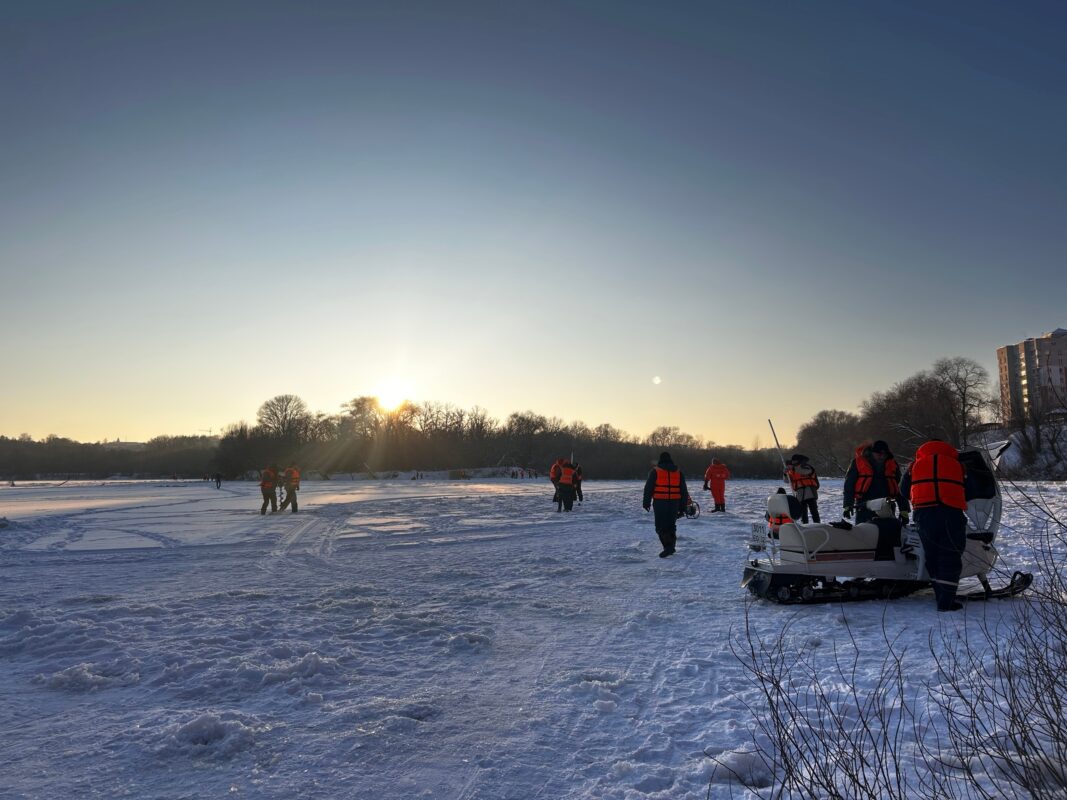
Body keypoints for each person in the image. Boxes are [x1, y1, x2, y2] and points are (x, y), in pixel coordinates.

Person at [900, 440, 968, 612]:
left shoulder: (914, 466)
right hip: (951, 513)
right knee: (950, 556)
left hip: (924, 514)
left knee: (933, 555)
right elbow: (972, 488)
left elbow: (903, 490)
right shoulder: (957, 464)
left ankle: (940, 594)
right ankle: (946, 601)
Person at [643, 451, 691, 558]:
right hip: (674, 502)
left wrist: (646, 502)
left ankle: (668, 547)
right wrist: (683, 507)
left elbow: (648, 488)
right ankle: (671, 547)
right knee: (671, 526)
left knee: (660, 526)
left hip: (660, 502)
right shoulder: (678, 472)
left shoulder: (655, 471)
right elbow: (683, 491)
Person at [843, 440, 902, 523]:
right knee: (864, 532)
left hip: (886, 504)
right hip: (864, 504)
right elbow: (849, 485)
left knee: (887, 532)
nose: (882, 456)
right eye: (879, 454)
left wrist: (904, 509)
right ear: (872, 452)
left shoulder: (892, 464)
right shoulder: (858, 463)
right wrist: (847, 505)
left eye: (884, 454)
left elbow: (898, 487)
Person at [785, 454, 820, 523]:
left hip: (810, 492)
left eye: (795, 462)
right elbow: (786, 480)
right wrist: (785, 473)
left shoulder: (807, 467)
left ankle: (817, 524)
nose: (794, 464)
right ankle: (804, 526)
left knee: (814, 511)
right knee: (803, 513)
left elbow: (802, 471)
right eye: (793, 462)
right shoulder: (792, 470)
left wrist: (793, 468)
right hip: (800, 494)